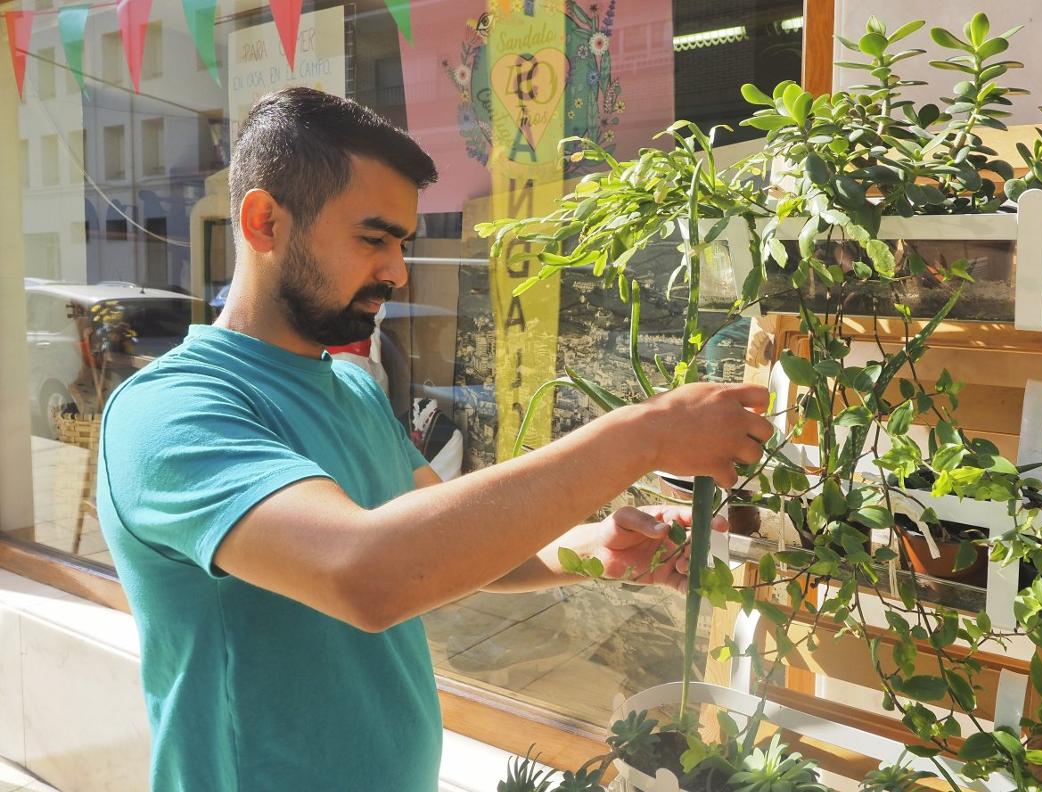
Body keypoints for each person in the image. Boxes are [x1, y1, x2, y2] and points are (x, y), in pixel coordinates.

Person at [97, 87, 772, 791]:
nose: (397, 271)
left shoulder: (352, 384)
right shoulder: (169, 412)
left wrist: (593, 547)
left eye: (402, 243)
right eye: (373, 238)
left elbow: (442, 554)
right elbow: (368, 573)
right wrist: (646, 435)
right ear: (265, 222)